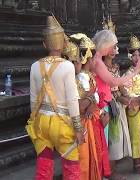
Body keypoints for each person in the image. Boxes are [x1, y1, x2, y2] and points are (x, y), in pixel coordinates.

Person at [25, 16, 84, 179]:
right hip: (62, 124)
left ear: (45, 44)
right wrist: (78, 129)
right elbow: (72, 100)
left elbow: (33, 100)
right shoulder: (68, 66)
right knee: (71, 168)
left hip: (42, 121)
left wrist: (35, 124)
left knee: (43, 167)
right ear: (64, 44)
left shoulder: (35, 66)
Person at [92, 19, 140, 180]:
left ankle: (106, 173)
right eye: (112, 46)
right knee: (105, 142)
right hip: (101, 105)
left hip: (106, 104)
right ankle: (104, 173)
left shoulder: (97, 60)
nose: (115, 49)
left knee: (107, 141)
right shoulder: (97, 61)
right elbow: (113, 82)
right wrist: (134, 72)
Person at [62, 33, 112, 180]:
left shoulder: (88, 76)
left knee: (93, 156)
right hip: (85, 123)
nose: (95, 61)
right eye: (93, 57)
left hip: (92, 122)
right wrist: (93, 102)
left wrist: (100, 110)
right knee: (85, 159)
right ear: (87, 58)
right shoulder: (81, 79)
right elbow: (83, 106)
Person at [124, 35, 140, 173]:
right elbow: (127, 92)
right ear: (130, 57)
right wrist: (135, 101)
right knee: (136, 134)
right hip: (134, 107)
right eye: (134, 55)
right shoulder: (128, 73)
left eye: (139, 54)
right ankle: (137, 162)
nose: (137, 58)